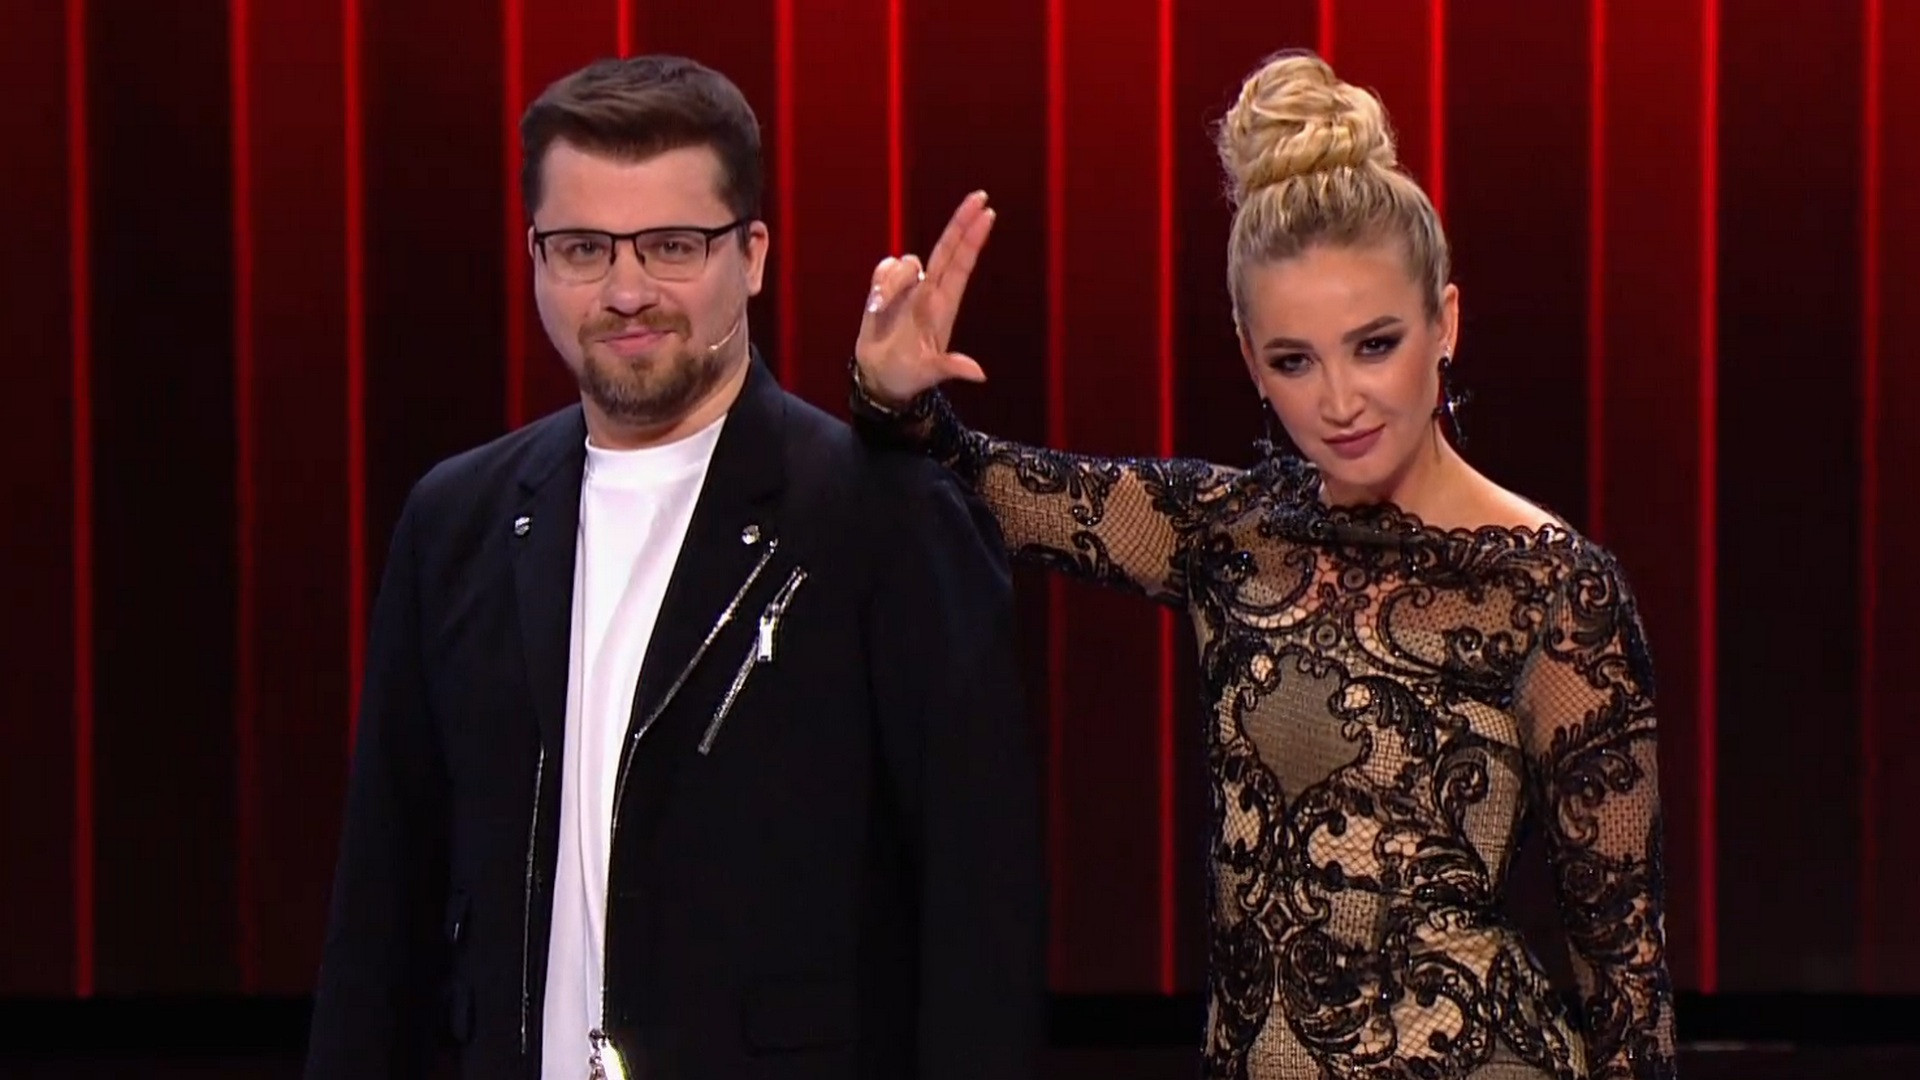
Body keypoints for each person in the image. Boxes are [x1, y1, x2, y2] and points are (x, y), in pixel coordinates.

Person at [849, 50, 1676, 1080]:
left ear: (1446, 324)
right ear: (1250, 359)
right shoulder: (1229, 532)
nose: (1340, 400)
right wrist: (890, 393)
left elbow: (1625, 970)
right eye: (1295, 359)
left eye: (1374, 344)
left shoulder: (1552, 589)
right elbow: (966, 482)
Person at [303, 54, 1045, 1080]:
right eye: (583, 248)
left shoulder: (880, 518)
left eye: (671, 245)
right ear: (534, 257)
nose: (626, 291)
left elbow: (979, 915)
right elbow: (381, 911)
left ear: (752, 254)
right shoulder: (457, 521)